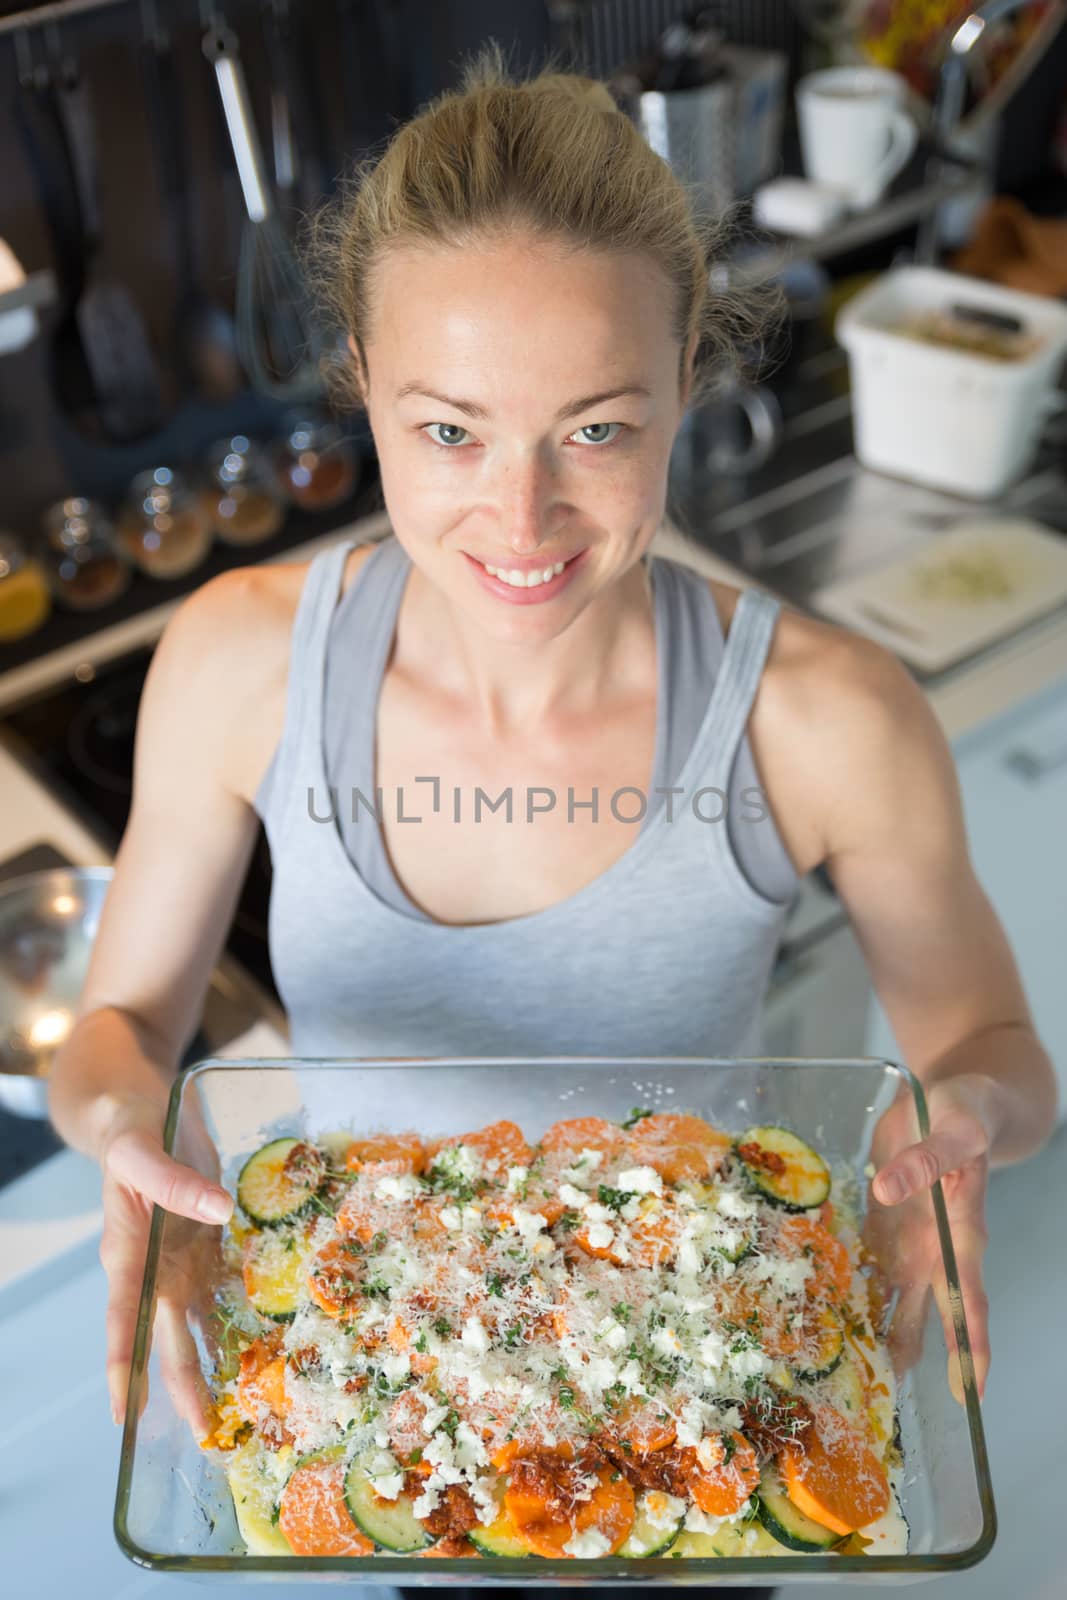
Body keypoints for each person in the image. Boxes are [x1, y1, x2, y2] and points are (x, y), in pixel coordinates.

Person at [49, 40, 1055, 1593]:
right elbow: (119, 1023)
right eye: (449, 432)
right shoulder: (239, 663)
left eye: (596, 429)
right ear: (365, 391)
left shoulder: (832, 717)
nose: (520, 525)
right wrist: (120, 1128)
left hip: (708, 1394)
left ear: (684, 392)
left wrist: (962, 1130)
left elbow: (990, 1054)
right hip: (377, 1378)